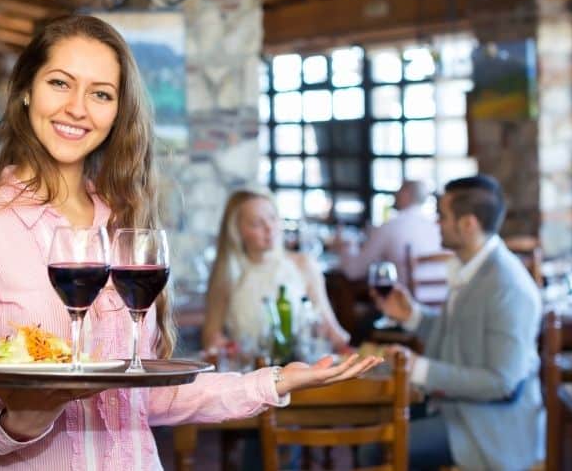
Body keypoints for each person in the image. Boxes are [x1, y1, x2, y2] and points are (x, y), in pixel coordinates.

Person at [0, 15, 378, 470]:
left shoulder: (124, 222)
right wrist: (26, 418)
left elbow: (144, 398)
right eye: (60, 83)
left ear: (118, 111)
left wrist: (277, 382)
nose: (78, 108)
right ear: (26, 89)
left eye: (101, 93)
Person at [367, 174, 544, 470]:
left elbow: (501, 382)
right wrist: (414, 317)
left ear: (468, 224)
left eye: (442, 216)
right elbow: (465, 336)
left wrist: (419, 369)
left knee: (376, 445)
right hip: (457, 409)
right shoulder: (473, 267)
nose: (436, 223)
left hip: (489, 428)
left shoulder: (508, 286)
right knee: (375, 424)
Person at [202, 188, 351, 354]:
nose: (269, 228)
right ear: (237, 232)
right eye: (257, 223)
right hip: (251, 374)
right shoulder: (227, 274)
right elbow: (211, 338)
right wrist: (224, 347)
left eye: (273, 218)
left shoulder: (304, 265)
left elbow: (332, 330)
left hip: (302, 370)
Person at [336, 179, 441, 286]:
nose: (395, 195)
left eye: (399, 191)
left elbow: (353, 271)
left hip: (403, 300)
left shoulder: (389, 227)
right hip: (443, 300)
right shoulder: (438, 227)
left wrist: (346, 246)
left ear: (406, 194)